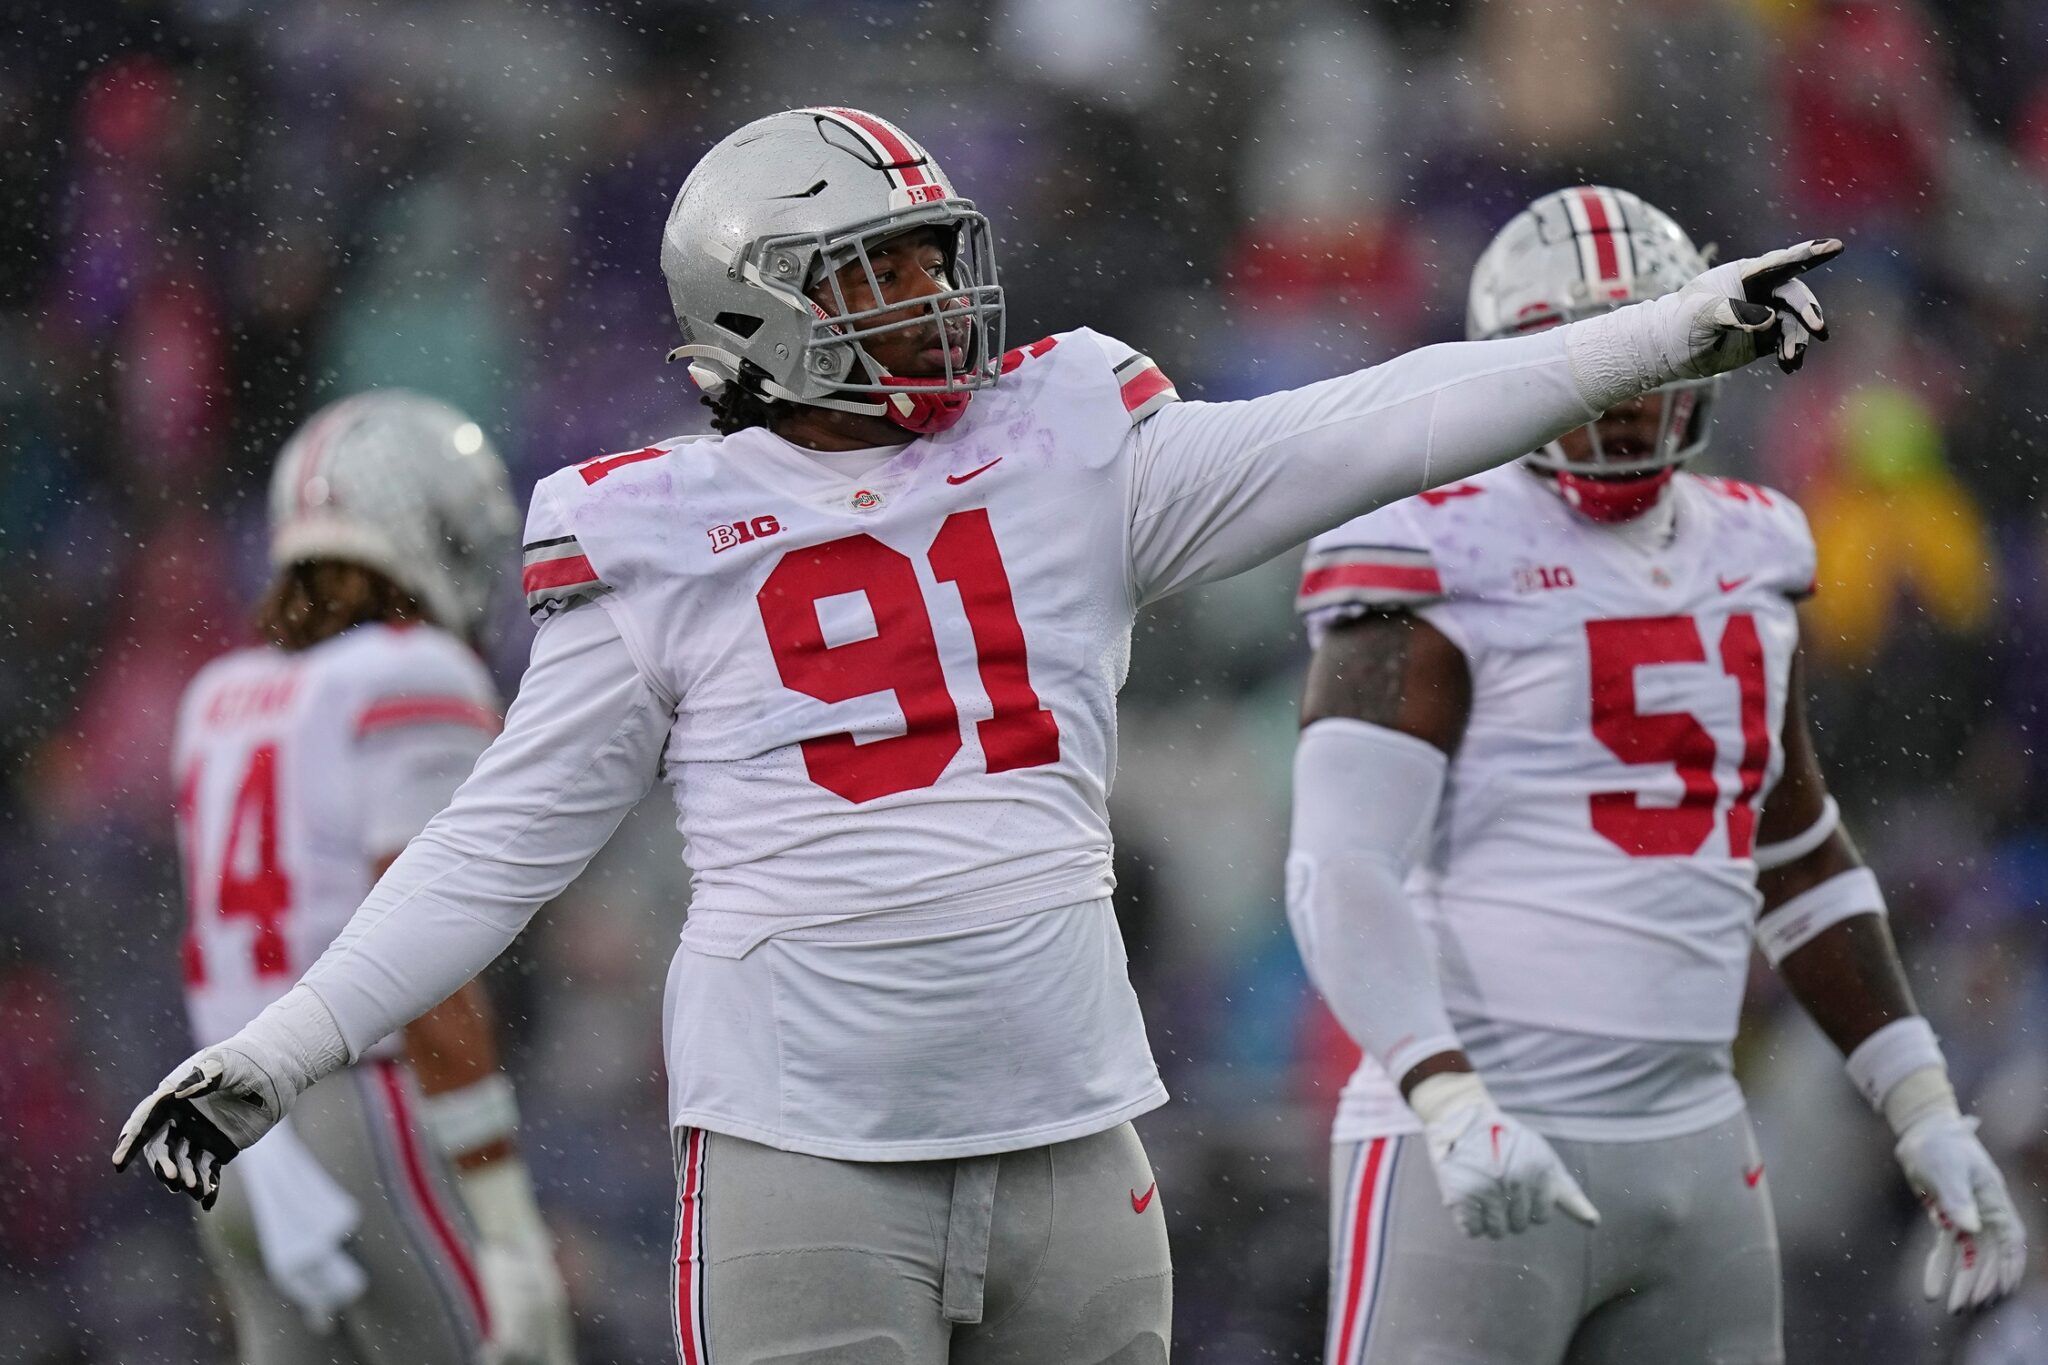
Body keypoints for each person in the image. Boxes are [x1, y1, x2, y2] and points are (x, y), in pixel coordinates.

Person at [115, 112, 1838, 1363]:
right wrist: (283, 1049)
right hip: (806, 1150)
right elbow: (495, 846)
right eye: (881, 268)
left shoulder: (1065, 439)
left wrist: (1669, 328)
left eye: (938, 254)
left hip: (1070, 1135)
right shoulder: (651, 533)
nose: (936, 294)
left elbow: (1376, 422)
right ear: (754, 310)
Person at [1284, 187, 2025, 1365]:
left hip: (1696, 1143)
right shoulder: (1429, 542)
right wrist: (1444, 1095)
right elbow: (1340, 867)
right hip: (1479, 1138)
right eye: (1589, 361)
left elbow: (1795, 853)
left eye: (1649, 353)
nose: (1625, 400)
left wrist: (1919, 1101)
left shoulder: (1754, 543)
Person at [142, 392, 574, 1365]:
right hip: (358, 1110)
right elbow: (427, 953)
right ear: (417, 526)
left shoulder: (219, 693)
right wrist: (506, 1224)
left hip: (220, 1123)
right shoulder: (411, 673)